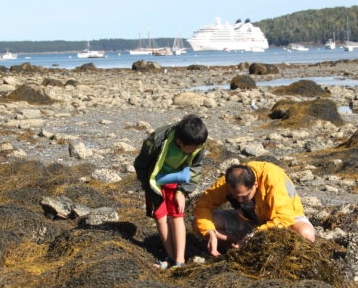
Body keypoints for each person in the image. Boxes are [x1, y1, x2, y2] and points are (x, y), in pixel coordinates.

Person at [193, 161, 316, 257]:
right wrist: (210, 232)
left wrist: (255, 234)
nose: (240, 201)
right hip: (248, 220)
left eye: (245, 196)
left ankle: (249, 244)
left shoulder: (273, 178)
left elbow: (284, 218)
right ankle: (235, 244)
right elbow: (203, 205)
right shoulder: (227, 182)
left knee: (306, 234)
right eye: (235, 197)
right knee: (199, 225)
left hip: (286, 219)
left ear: (255, 185)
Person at [134, 114, 207, 269]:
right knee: (160, 218)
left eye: (198, 147)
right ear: (179, 142)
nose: (196, 150)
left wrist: (183, 192)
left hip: (177, 179)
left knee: (176, 216)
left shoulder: (197, 141)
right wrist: (147, 186)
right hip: (155, 181)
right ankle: (171, 257)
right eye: (193, 148)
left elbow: (196, 167)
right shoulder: (157, 140)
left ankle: (179, 261)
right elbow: (140, 164)